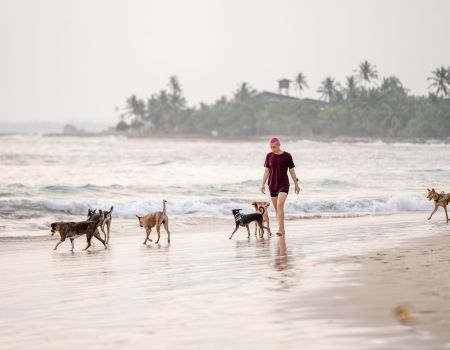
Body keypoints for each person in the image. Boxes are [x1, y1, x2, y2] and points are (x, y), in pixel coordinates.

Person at [261, 137, 300, 236]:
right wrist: (263, 184)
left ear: (279, 145)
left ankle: (281, 230)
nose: (272, 149)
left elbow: (291, 170)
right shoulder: (269, 156)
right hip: (272, 185)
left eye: (274, 147)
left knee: (280, 205)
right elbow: (266, 171)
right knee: (277, 209)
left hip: (283, 184)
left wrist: (296, 184)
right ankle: (282, 229)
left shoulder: (287, 156)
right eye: (271, 147)